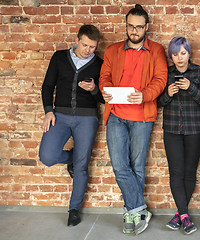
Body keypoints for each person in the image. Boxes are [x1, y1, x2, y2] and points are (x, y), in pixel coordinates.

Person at [99, 4, 167, 235]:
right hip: (116, 114)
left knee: (137, 166)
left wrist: (144, 95)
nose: (135, 31)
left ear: (147, 27)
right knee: (120, 165)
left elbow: (160, 79)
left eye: (139, 27)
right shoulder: (113, 50)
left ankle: (131, 212)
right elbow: (104, 76)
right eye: (131, 26)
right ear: (126, 26)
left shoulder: (156, 50)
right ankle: (140, 209)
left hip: (142, 115)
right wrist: (105, 89)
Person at [39, 24, 104, 226]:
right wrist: (48, 110)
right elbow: (48, 85)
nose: (88, 50)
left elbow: (104, 98)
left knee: (82, 166)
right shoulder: (59, 58)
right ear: (77, 40)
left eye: (92, 47)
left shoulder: (100, 64)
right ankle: (71, 158)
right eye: (85, 45)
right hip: (60, 115)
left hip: (87, 118)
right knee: (47, 156)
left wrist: (94, 89)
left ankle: (74, 209)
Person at [157, 36, 200, 235]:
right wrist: (167, 94)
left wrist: (191, 87)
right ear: (171, 56)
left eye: (183, 53)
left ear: (188, 53)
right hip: (171, 130)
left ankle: (180, 214)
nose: (179, 58)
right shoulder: (165, 74)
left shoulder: (199, 72)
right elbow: (156, 103)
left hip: (195, 130)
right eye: (175, 54)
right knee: (176, 172)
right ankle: (185, 216)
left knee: (189, 172)